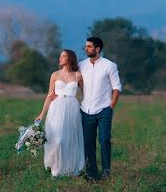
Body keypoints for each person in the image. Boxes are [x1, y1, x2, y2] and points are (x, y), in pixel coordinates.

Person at [35, 49, 85, 177]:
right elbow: (49, 96)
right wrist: (42, 114)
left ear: (70, 58)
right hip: (56, 109)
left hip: (72, 109)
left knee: (69, 139)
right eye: (60, 56)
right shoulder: (55, 75)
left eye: (63, 56)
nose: (60, 58)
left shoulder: (78, 75)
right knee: (57, 139)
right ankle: (55, 168)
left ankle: (69, 168)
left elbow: (87, 94)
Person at [77, 36, 121, 180]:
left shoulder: (109, 65)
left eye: (89, 47)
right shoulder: (81, 65)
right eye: (86, 46)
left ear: (97, 49)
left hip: (104, 110)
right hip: (86, 109)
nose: (86, 49)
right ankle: (92, 174)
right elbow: (75, 82)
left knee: (104, 140)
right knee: (88, 143)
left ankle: (106, 171)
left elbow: (117, 88)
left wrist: (110, 107)